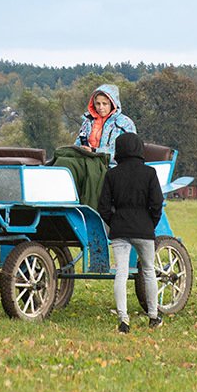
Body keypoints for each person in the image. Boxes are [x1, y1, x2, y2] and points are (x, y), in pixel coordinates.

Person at [98, 132, 164, 333]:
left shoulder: (112, 174)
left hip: (120, 229)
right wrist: (149, 224)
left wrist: (115, 222)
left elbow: (103, 207)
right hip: (144, 228)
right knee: (149, 270)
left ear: (119, 150)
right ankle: (153, 316)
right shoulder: (150, 173)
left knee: (121, 272)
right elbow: (157, 204)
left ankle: (123, 321)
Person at [75, 84, 136, 162]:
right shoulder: (87, 122)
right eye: (98, 104)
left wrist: (94, 152)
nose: (101, 107)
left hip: (112, 167)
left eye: (104, 104)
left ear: (112, 104)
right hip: (86, 163)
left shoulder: (125, 123)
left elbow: (129, 152)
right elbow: (77, 145)